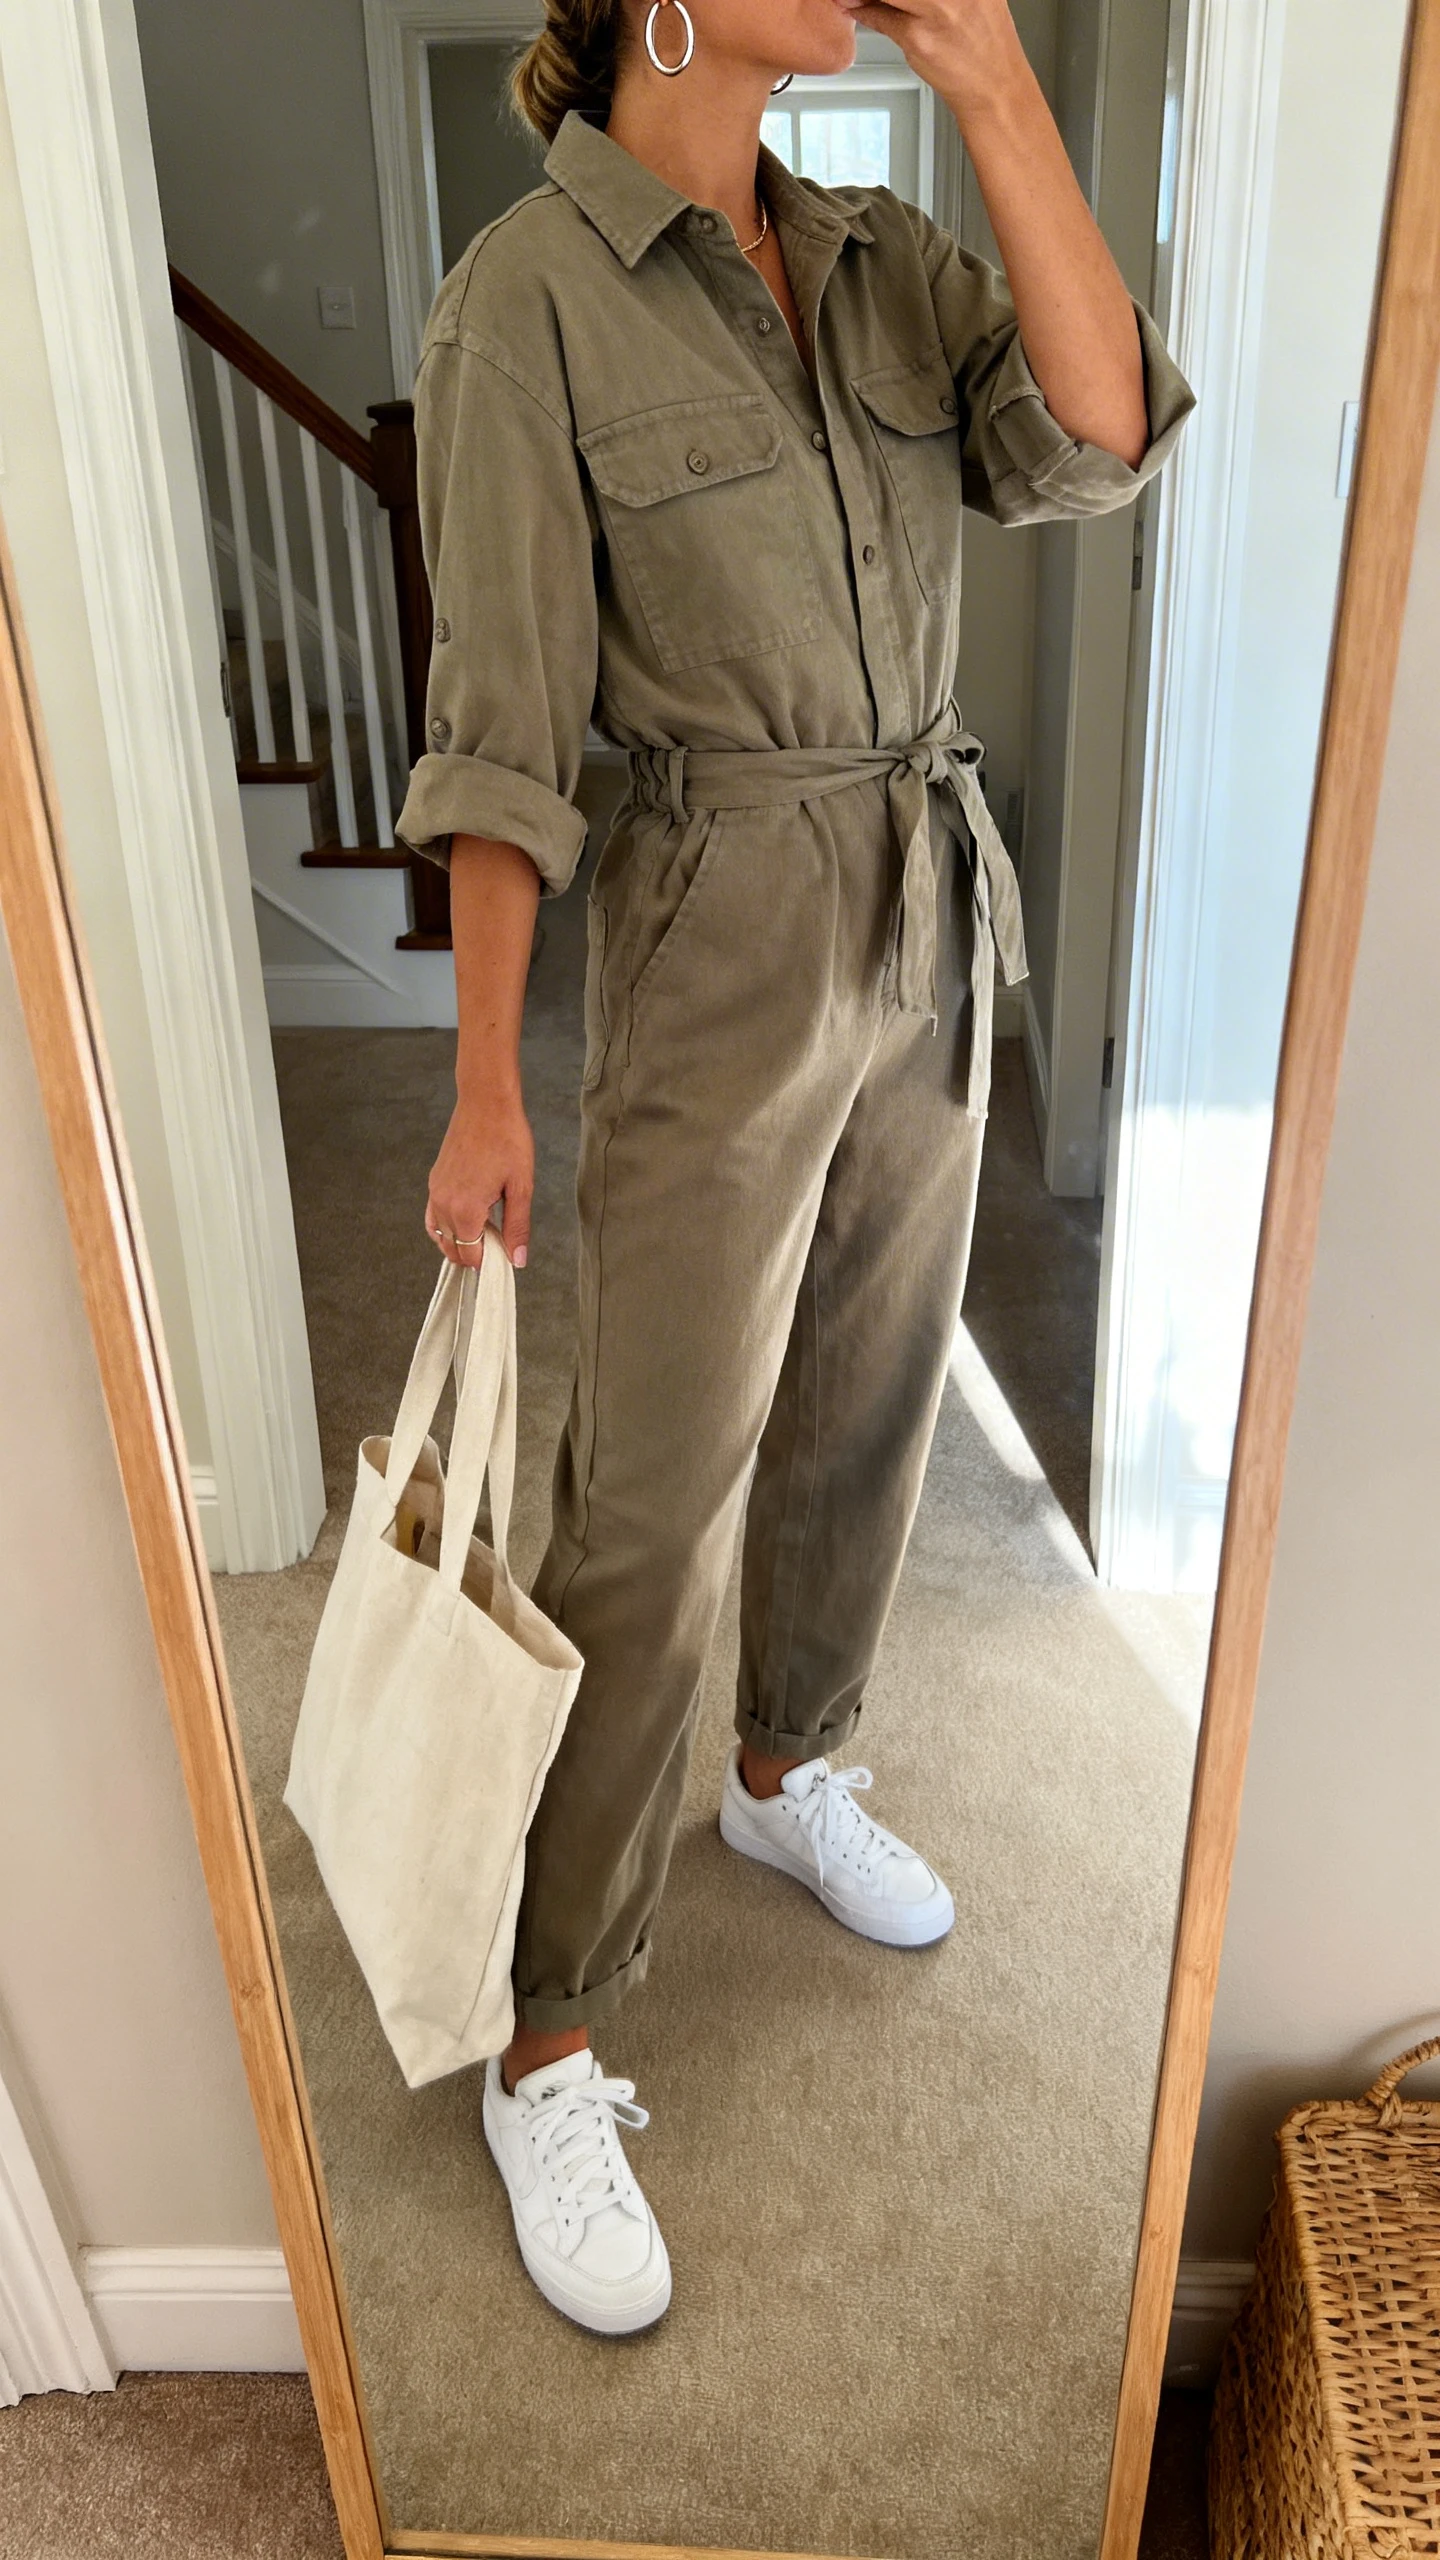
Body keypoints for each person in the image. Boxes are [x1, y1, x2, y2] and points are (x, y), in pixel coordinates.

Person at [395, 0, 1192, 2336]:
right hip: (715, 918)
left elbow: (1100, 431)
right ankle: (545, 2021)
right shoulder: (524, 297)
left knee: (876, 1387)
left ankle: (787, 1758)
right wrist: (480, 1084)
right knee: (653, 1480)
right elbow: (505, 730)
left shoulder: (878, 251)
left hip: (926, 890)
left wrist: (1000, 85)